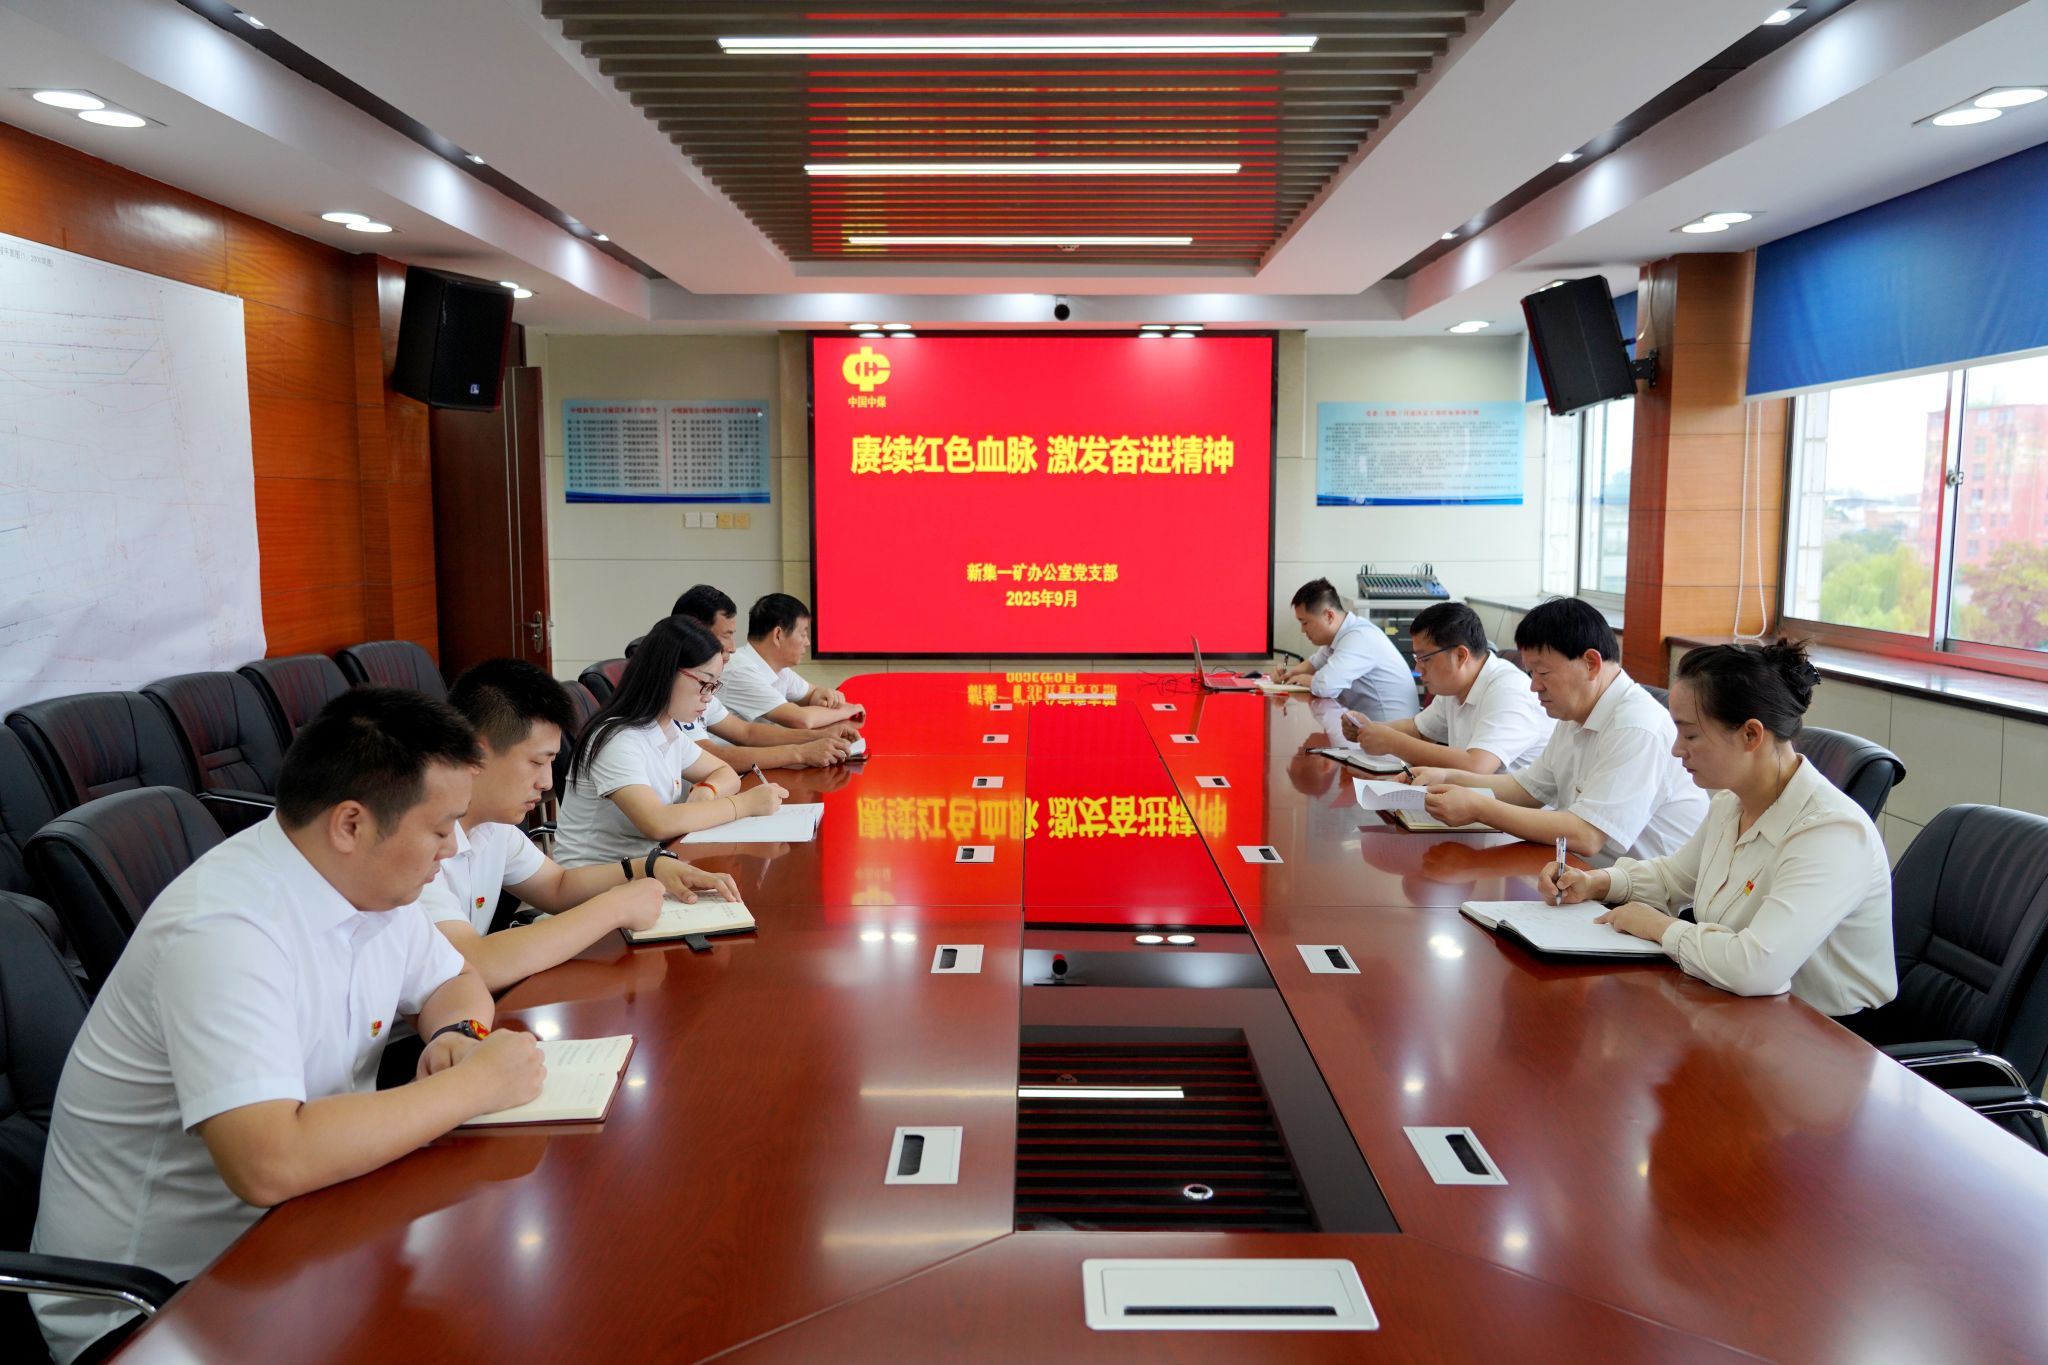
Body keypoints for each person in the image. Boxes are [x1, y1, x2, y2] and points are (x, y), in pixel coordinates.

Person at [31, 689, 546, 1364]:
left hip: (304, 1227)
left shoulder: (371, 884)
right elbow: (268, 1163)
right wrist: (474, 1086)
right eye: (441, 828)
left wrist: (459, 1038)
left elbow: (456, 982)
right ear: (351, 824)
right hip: (162, 1301)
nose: (453, 849)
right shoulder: (225, 930)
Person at [1543, 640, 1895, 1017]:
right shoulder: (1731, 803)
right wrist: (1596, 882)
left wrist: (1660, 928)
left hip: (1827, 1033)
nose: (1677, 749)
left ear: (1751, 735)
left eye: (1691, 735)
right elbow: (1673, 878)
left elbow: (1756, 968)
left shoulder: (1831, 832)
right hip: (1738, 1008)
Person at [426, 658, 742, 991]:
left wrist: (649, 867)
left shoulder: (494, 828)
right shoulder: (419, 837)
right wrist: (614, 908)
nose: (547, 782)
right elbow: (475, 964)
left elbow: (557, 886)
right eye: (537, 762)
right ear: (477, 753)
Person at [1410, 597, 1707, 862]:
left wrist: (1479, 808)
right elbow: (1527, 790)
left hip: (1643, 897)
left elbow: (1587, 835)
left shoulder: (1637, 726)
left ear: (1591, 663)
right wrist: (1447, 778)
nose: (1534, 686)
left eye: (1543, 673)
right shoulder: (1575, 714)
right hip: (1586, 876)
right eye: (1531, 673)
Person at [555, 614, 788, 867]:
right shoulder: (617, 740)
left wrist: (707, 790)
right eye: (704, 683)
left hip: (648, 866)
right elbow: (657, 822)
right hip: (598, 877)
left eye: (714, 686)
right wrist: (743, 804)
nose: (708, 697)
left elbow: (725, 773)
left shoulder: (665, 729)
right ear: (665, 673)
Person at [1339, 601, 1552, 774]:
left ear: (1460, 656)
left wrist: (1392, 742)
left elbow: (1477, 766)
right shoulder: (1455, 685)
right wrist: (1369, 729)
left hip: (1514, 811)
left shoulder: (1509, 690)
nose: (1418, 669)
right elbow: (1420, 730)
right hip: (1472, 801)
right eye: (1417, 659)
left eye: (1425, 659)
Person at [670, 584, 856, 765]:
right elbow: (712, 756)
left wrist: (819, 736)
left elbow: (746, 732)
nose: (732, 648)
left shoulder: (701, 685)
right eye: (727, 635)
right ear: (695, 633)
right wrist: (800, 753)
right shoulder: (677, 690)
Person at [1270, 578, 1418, 721]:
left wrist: (1302, 679)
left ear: (1329, 616)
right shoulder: (1340, 635)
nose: (1302, 630)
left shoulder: (1358, 637)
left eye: (1305, 623)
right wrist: (1288, 674)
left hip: (1392, 732)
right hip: (1370, 728)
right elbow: (1315, 663)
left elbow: (1325, 686)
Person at [720, 593, 862, 729]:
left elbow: (812, 693)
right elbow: (801, 720)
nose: (807, 642)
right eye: (803, 634)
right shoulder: (740, 669)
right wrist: (850, 710)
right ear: (778, 635)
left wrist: (824, 695)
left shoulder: (779, 670)